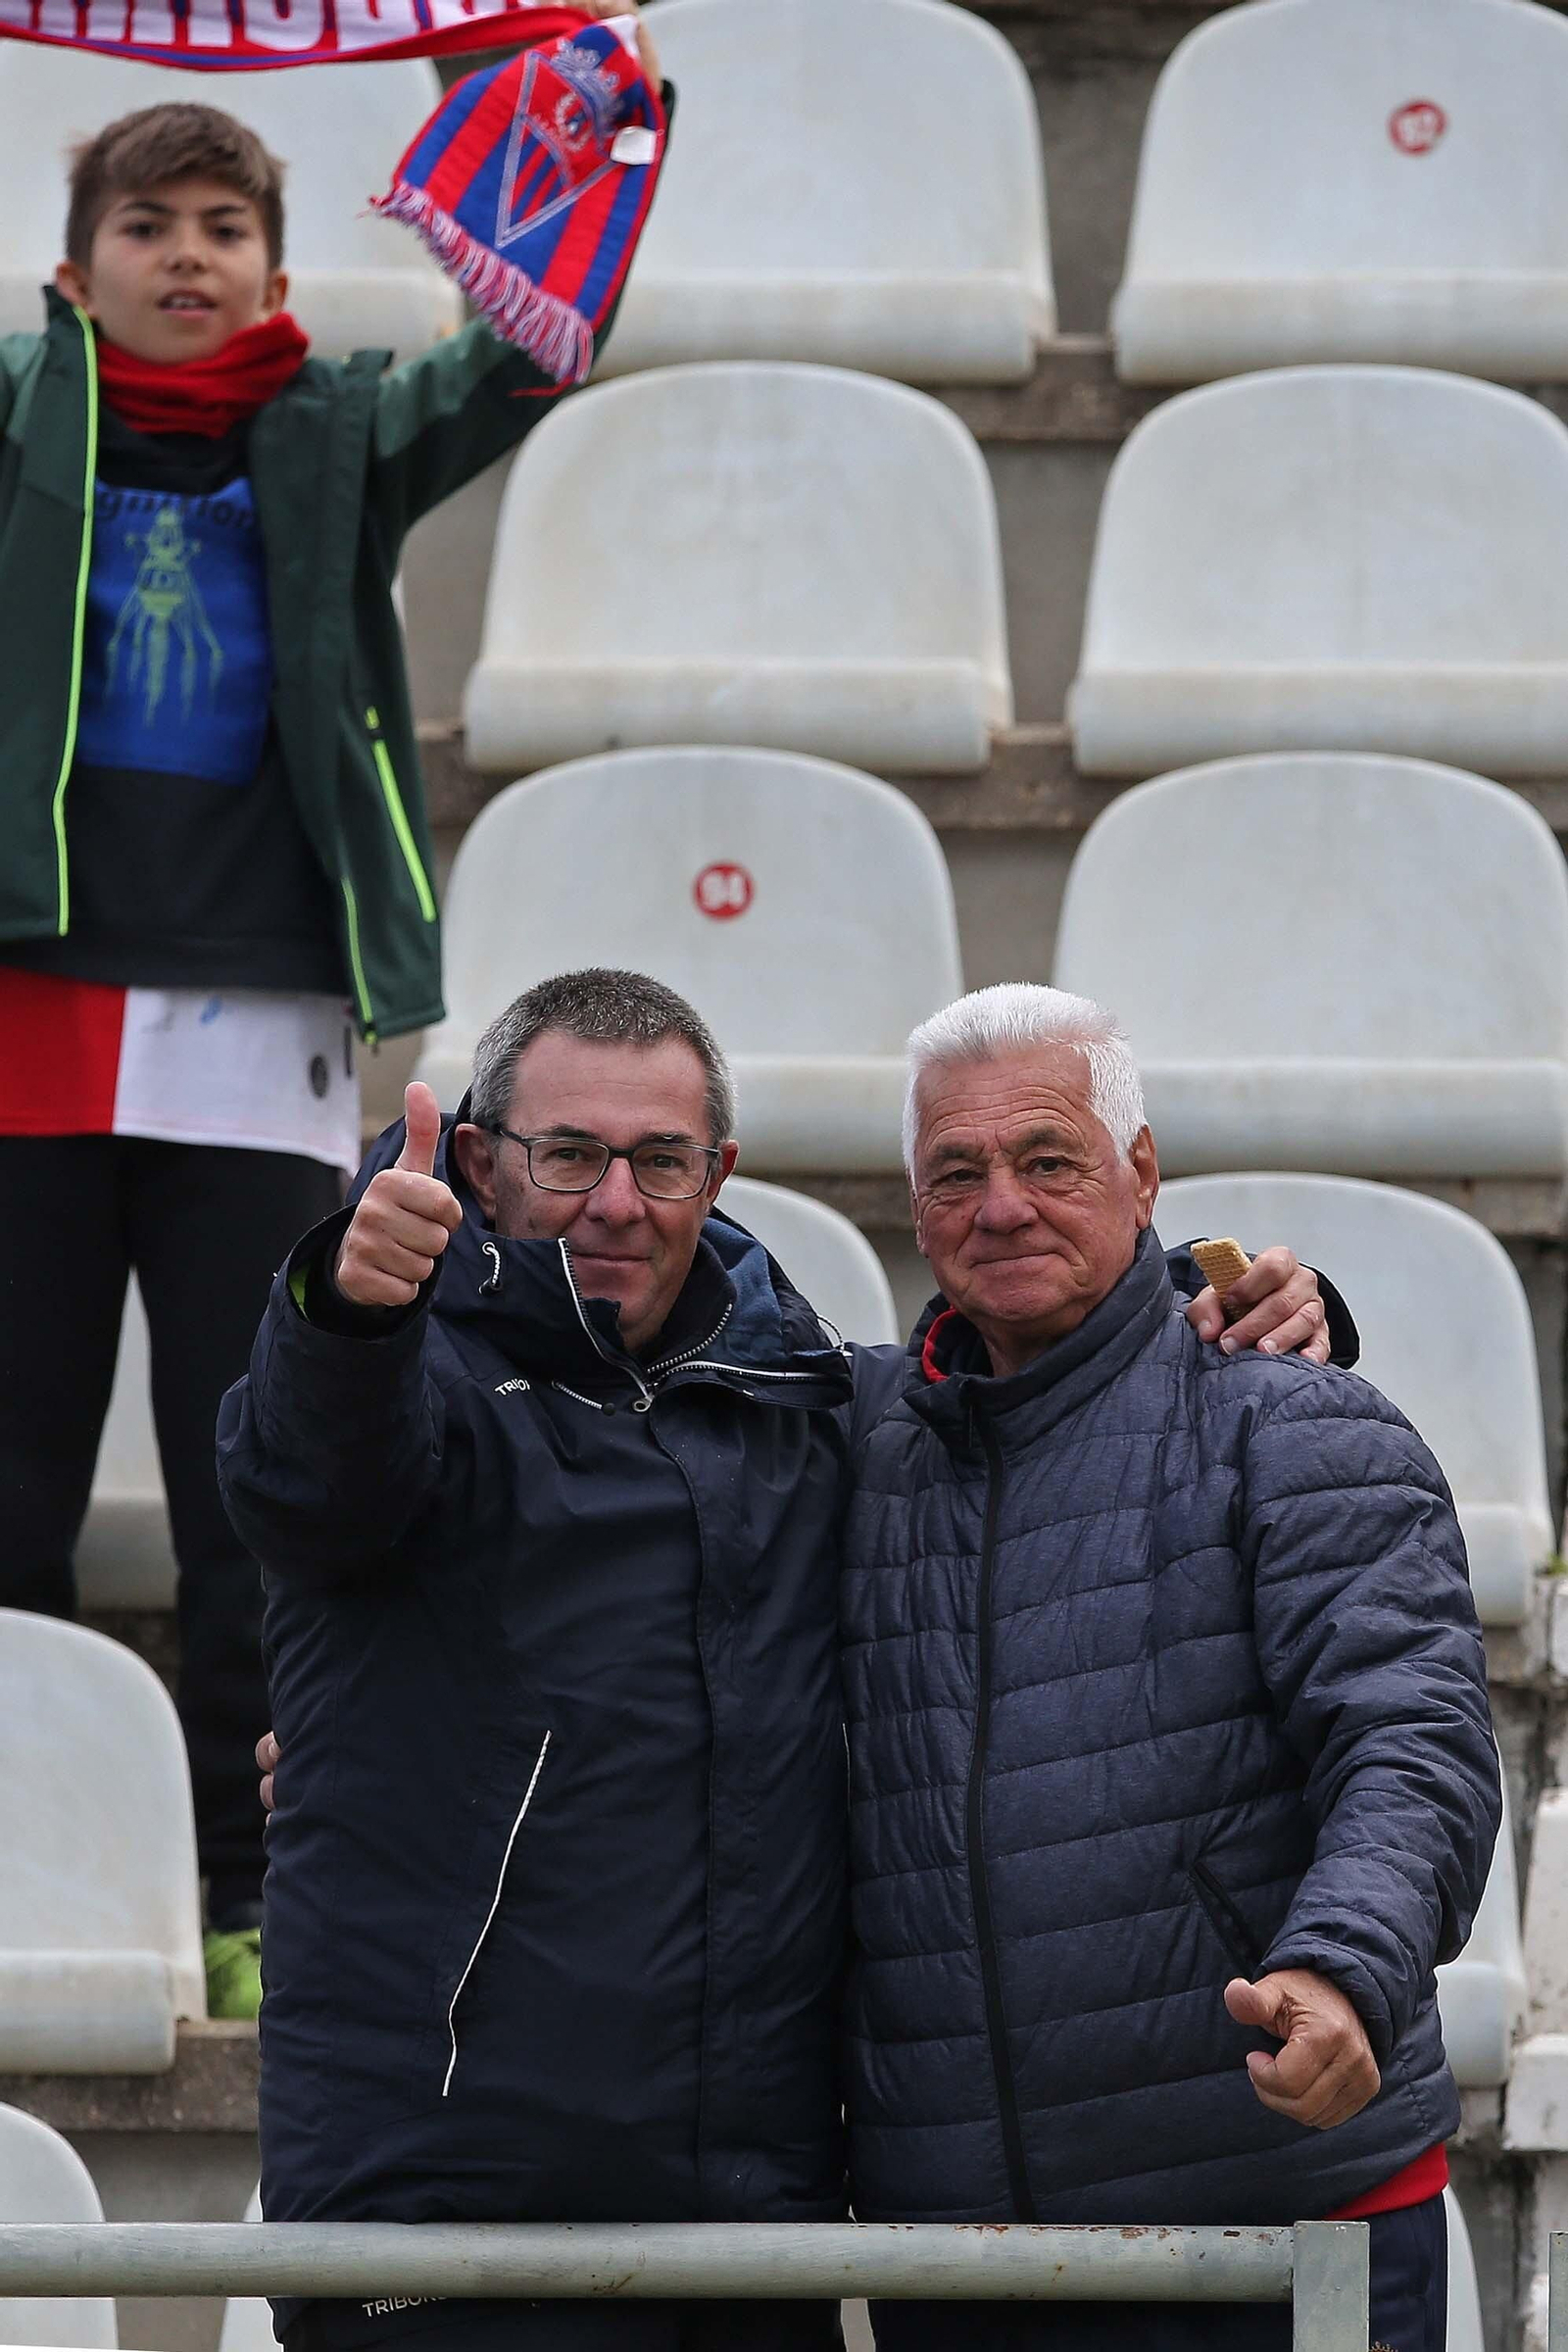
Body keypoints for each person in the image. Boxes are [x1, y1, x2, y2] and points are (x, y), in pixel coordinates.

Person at [219, 965, 1344, 2352]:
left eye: (661, 1160)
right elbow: (299, 1480)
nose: (617, 1202)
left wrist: (1237, 1298)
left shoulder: (807, 1398)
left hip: (749, 2225)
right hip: (445, 2224)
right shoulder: (406, 1374)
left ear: (722, 1172)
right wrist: (342, 1312)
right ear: (476, 1162)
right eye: (569, 1155)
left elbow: (1022, 1376)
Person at [0, 11, 657, 2018]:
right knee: (11, 1494)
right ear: (73, 260)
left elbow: (528, 353)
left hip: (259, 1026)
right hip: (30, 1012)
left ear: (276, 270)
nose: (185, 255)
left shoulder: (342, 428)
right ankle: (25, 1866)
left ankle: (248, 1892)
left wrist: (588, 135)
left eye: (222, 224)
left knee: (245, 1501)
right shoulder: (16, 408)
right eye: (144, 222)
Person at [840, 982, 1502, 2352]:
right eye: (954, 1173)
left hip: (1281, 2224)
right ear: (913, 1207)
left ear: (1142, 1176)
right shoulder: (850, 1455)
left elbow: (1413, 1742)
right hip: (963, 2260)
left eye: (1047, 1161)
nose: (1000, 1206)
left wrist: (1342, 1973)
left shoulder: (1298, 1422)